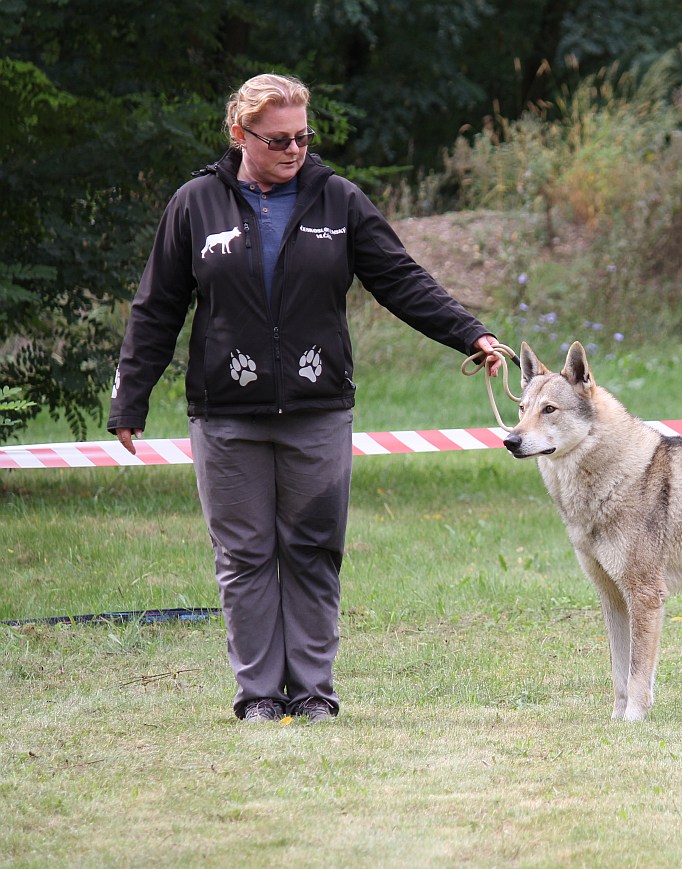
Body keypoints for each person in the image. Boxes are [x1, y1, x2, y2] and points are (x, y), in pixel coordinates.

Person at [108, 73, 504, 724]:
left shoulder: (338, 200)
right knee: (245, 557)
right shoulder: (195, 204)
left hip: (318, 410)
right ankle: (260, 695)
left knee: (314, 551)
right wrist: (132, 400)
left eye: (303, 137)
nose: (295, 150)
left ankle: (314, 693)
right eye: (278, 140)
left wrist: (471, 333)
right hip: (226, 414)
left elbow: (401, 280)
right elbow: (157, 308)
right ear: (240, 135)